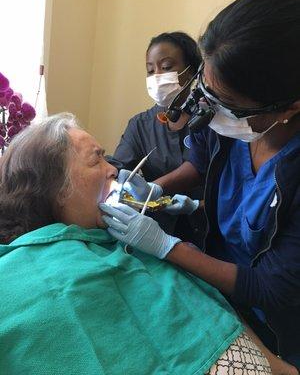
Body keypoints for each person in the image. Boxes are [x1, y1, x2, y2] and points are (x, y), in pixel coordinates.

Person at [100, 0, 300, 371]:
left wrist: (170, 248)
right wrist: (160, 191)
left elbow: (275, 289)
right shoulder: (223, 121)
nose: (212, 114)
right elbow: (202, 165)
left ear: (289, 107)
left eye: (229, 105)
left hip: (276, 327)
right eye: (208, 93)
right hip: (218, 298)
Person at [0, 113, 276, 375]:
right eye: (97, 160)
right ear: (57, 186)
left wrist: (181, 207)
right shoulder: (19, 274)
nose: (114, 169)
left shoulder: (128, 244)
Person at [106, 31, 205, 246]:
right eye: (151, 70)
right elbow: (118, 166)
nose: (157, 76)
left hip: (211, 229)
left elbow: (202, 168)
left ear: (192, 71)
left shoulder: (211, 120)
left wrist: (157, 188)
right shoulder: (141, 125)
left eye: (167, 67)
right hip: (157, 231)